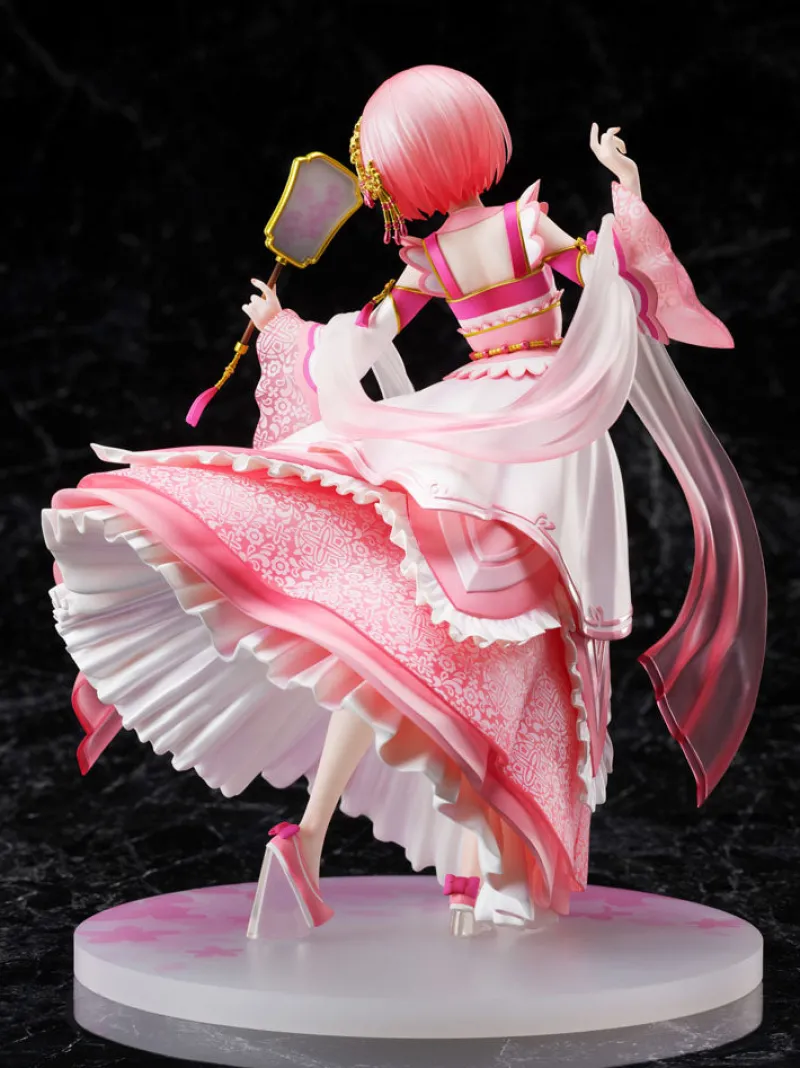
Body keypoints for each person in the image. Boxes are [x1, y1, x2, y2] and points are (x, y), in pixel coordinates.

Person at [43, 65, 766, 940]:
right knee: (496, 646)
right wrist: (628, 197)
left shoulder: (431, 259)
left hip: (470, 421)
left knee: (425, 638)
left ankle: (348, 844)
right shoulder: (522, 226)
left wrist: (285, 332)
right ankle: (480, 863)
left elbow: (360, 339)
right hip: (534, 430)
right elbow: (615, 281)